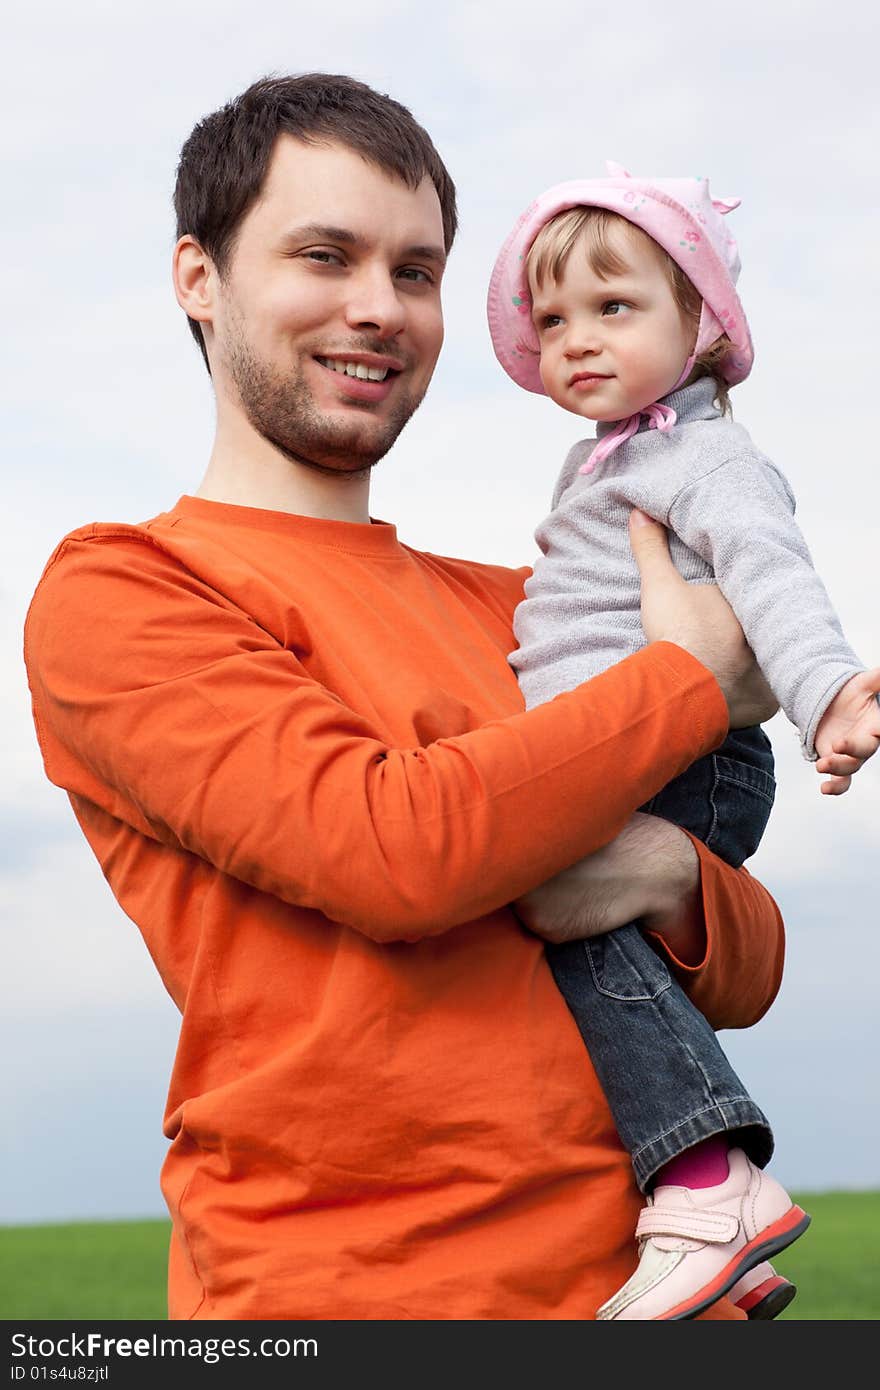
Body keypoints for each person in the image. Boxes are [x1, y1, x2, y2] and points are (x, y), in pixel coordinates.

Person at [26, 76, 790, 1322]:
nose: (378, 309)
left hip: (658, 1297)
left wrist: (662, 871)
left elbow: (743, 965)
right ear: (197, 277)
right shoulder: (122, 588)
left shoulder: (531, 607)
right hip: (350, 1302)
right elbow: (393, 850)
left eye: (418, 271)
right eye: (323, 255)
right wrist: (692, 679)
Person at [487, 164, 880, 1319]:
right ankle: (720, 1253)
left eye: (614, 308)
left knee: (571, 910)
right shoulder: (609, 456)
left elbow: (769, 577)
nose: (575, 341)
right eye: (552, 319)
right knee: (604, 955)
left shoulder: (704, 455)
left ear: (702, 322)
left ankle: (708, 1182)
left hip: (689, 759)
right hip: (631, 753)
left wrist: (827, 693)